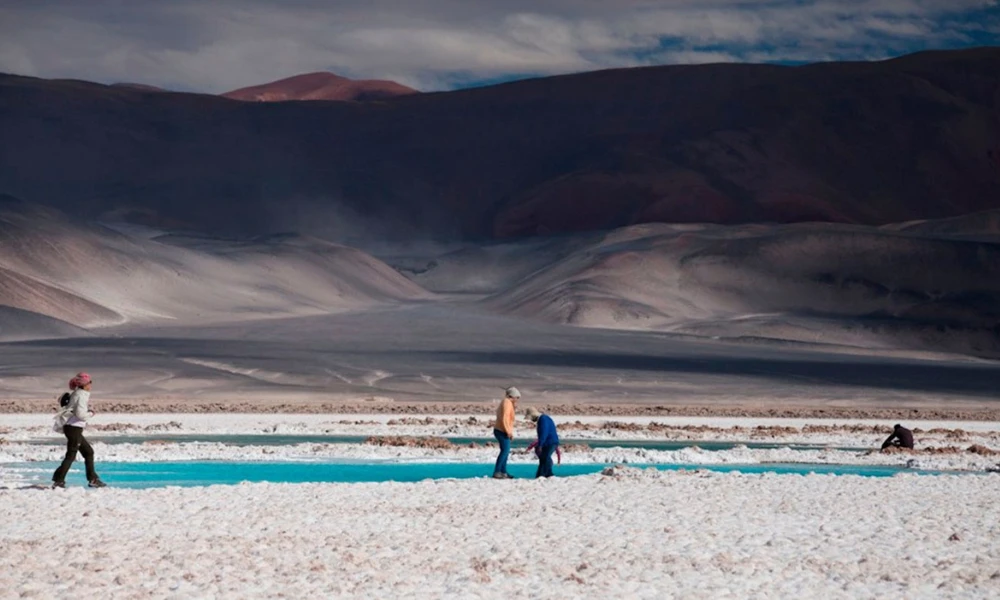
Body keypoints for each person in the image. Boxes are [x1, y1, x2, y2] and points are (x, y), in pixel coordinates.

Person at [52, 373, 106, 488]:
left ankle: (92, 479)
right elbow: (80, 414)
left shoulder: (77, 393)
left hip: (72, 427)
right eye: (90, 382)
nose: (91, 385)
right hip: (74, 428)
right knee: (71, 455)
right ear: (85, 384)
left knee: (88, 452)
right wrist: (91, 413)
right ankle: (59, 481)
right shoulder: (81, 395)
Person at [524, 407, 560, 478]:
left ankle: (546, 474)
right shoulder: (544, 418)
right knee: (544, 458)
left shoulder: (543, 419)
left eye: (531, 418)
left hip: (550, 442)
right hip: (550, 442)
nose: (531, 420)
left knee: (545, 458)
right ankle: (544, 474)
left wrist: (540, 445)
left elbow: (544, 433)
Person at [492, 386, 520, 479]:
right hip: (502, 430)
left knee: (505, 451)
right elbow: (505, 418)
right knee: (504, 451)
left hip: (502, 430)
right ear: (512, 396)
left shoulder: (508, 403)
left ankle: (503, 471)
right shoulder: (507, 403)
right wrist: (508, 432)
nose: (517, 399)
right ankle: (497, 471)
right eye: (517, 397)